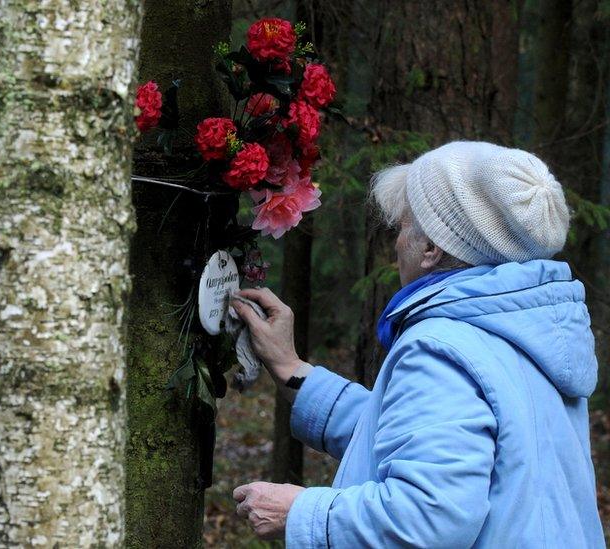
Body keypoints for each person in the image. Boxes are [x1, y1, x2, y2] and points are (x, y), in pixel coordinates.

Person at [231, 141, 603, 547]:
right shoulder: (526, 330)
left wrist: (301, 512)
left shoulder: (443, 346)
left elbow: (428, 517)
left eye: (404, 224)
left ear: (430, 249)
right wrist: (291, 369)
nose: (395, 242)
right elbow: (421, 437)